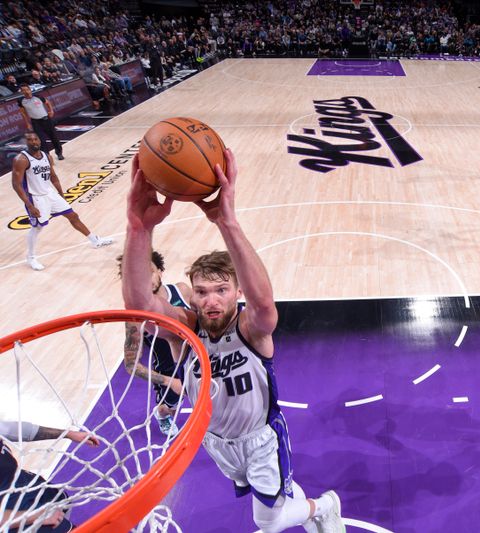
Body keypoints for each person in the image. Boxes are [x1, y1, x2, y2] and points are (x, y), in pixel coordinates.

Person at [121, 150, 345, 533]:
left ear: (236, 291)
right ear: (191, 295)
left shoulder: (252, 328)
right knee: (274, 497)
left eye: (222, 290)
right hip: (215, 440)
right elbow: (140, 304)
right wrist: (138, 227)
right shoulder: (186, 332)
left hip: (261, 439)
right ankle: (303, 501)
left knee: (269, 522)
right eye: (202, 291)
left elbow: (263, 302)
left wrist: (227, 222)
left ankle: (324, 506)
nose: (211, 300)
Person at [11, 132, 114, 271]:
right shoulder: (21, 159)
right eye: (30, 140)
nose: (33, 141)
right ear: (26, 142)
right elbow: (16, 185)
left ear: (40, 141)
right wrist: (29, 205)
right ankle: (31, 257)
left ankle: (95, 240)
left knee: (73, 216)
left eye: (36, 139)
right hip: (36, 198)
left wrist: (61, 195)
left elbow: (53, 177)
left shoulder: (46, 156)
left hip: (51, 194)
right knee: (37, 228)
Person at [117, 251, 191, 436]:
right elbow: (131, 365)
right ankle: (162, 415)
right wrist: (169, 381)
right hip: (170, 373)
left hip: (197, 359)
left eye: (149, 272)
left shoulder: (182, 290)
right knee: (171, 407)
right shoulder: (134, 317)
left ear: (160, 270)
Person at [1, 420, 99, 532]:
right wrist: (34, 516)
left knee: (62, 504)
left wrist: (68, 434)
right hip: (11, 513)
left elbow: (10, 429)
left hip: (20, 482)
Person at [17, 84, 63, 161]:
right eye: (23, 90)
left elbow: (47, 103)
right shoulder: (21, 101)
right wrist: (27, 123)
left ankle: (59, 153)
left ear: (30, 89)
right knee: (40, 140)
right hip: (35, 122)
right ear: (22, 92)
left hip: (46, 120)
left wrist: (51, 110)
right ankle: (46, 156)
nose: (26, 91)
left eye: (27, 89)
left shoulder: (38, 97)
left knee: (54, 137)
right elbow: (23, 113)